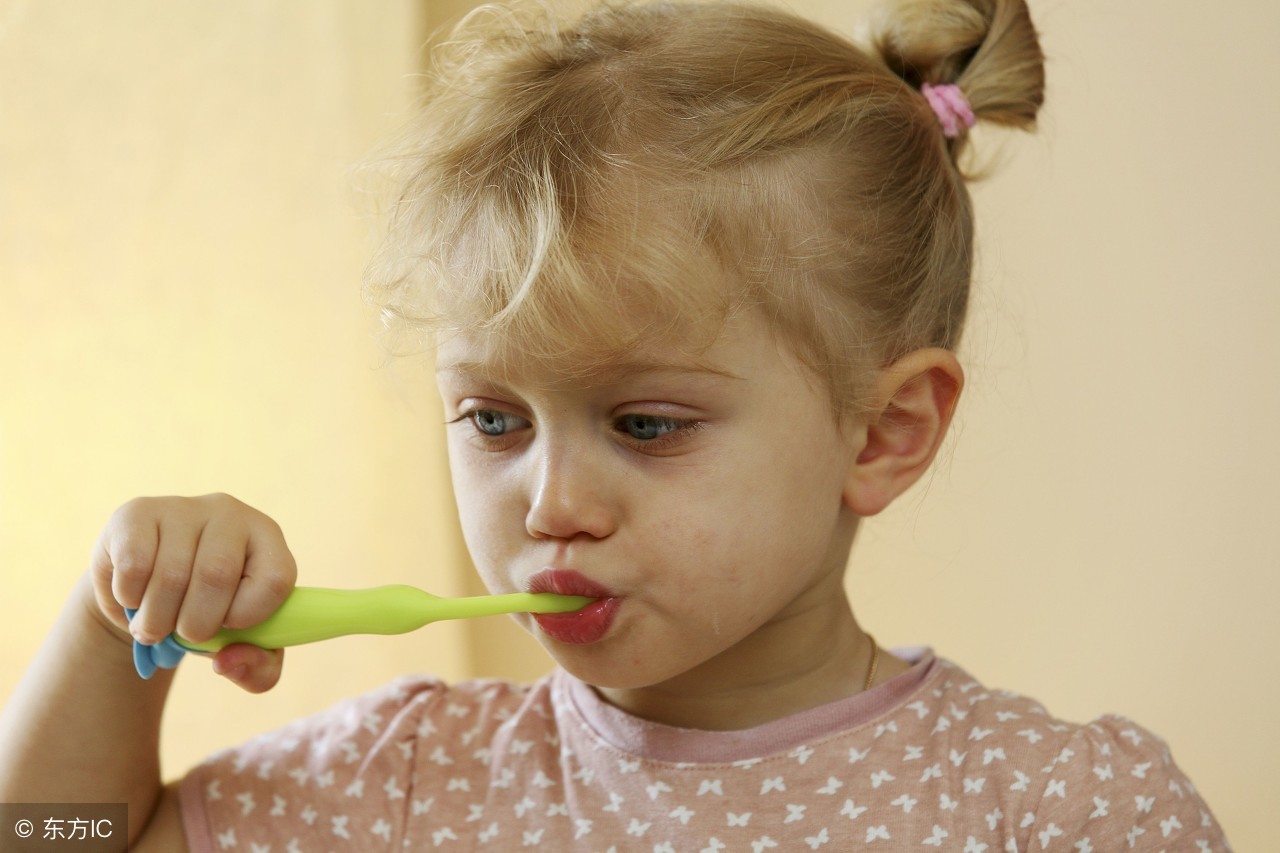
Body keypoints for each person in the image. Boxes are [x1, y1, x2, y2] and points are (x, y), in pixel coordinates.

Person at [0, 0, 1232, 849]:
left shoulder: (1064, 814)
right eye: (491, 417)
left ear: (882, 433)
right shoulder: (404, 782)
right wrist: (116, 631)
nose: (547, 503)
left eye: (643, 423)